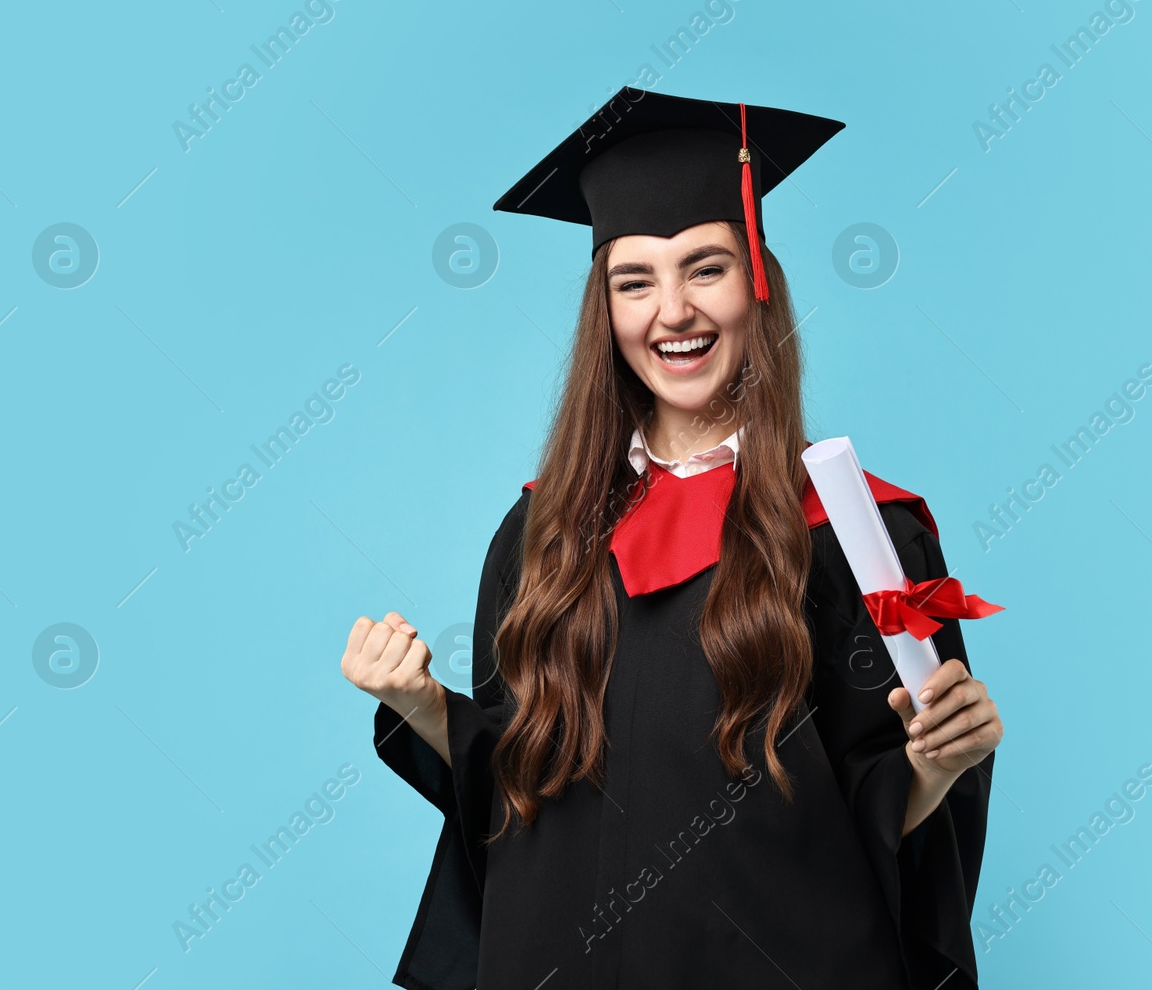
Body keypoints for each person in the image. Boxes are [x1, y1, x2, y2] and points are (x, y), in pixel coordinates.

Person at [341, 89, 1004, 989]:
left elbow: (878, 802)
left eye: (706, 269)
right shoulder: (541, 532)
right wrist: (422, 703)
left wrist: (935, 762)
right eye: (635, 280)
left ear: (757, 284)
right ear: (603, 311)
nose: (672, 312)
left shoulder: (854, 533)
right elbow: (517, 788)